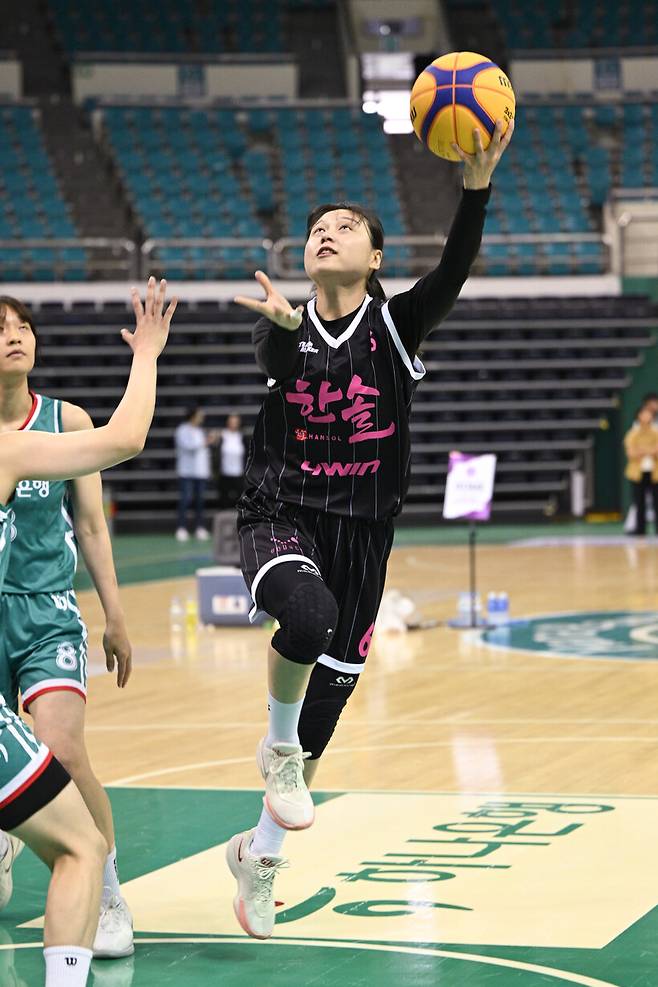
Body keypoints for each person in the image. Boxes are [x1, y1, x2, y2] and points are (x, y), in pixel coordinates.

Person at [226, 120, 514, 938]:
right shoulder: (282, 323)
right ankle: (276, 746)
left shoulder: (396, 325)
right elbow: (278, 364)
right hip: (281, 513)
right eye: (318, 227)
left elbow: (453, 271)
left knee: (322, 718)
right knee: (306, 619)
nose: (327, 232)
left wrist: (475, 190)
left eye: (347, 226)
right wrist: (282, 328)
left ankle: (260, 856)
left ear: (376, 258)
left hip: (363, 534)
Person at [0, 277, 176, 986]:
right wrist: (148, 355)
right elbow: (129, 437)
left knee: (65, 749)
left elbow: (94, 524)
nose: (13, 336)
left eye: (20, 326)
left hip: (45, 611)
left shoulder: (59, 422)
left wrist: (116, 615)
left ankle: (103, 884)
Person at [174, 407, 217, 541]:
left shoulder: (200, 431)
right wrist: (207, 441)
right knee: (185, 500)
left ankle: (199, 527)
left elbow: (203, 453)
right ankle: (181, 528)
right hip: (187, 472)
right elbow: (189, 447)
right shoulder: (182, 430)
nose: (201, 418)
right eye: (199, 415)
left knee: (200, 502)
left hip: (200, 473)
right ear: (193, 416)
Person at [624, 404, 658, 535]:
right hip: (637, 473)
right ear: (638, 416)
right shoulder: (633, 433)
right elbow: (631, 453)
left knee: (656, 502)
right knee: (639, 502)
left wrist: (642, 450)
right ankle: (640, 529)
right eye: (644, 414)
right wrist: (649, 450)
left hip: (655, 473)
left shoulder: (656, 432)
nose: (646, 416)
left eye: (649, 414)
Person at [217, 414, 245, 509]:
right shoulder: (222, 435)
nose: (233, 424)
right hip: (225, 473)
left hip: (239, 473)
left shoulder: (241, 436)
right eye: (231, 422)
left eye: (235, 422)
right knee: (224, 501)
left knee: (240, 500)